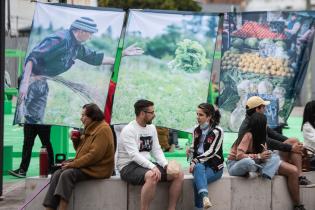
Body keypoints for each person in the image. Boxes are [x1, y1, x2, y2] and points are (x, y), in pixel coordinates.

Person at [17, 16, 143, 124]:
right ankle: (27, 147)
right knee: (23, 117)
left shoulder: (77, 47)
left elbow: (96, 59)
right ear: (81, 31)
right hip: (30, 80)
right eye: (90, 33)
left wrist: (123, 54)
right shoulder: (60, 39)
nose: (91, 37)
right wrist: (25, 83)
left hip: (41, 82)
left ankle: (39, 143)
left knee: (35, 120)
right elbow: (32, 57)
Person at [43, 103, 115, 210]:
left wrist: (73, 164)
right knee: (57, 173)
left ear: (92, 116)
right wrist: (76, 141)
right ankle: (50, 207)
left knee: (67, 174)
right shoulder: (90, 127)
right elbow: (81, 151)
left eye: (83, 115)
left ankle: (63, 207)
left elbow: (94, 155)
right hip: (88, 166)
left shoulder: (103, 129)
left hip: (98, 168)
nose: (81, 118)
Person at [228, 112, 306, 210]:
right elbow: (239, 156)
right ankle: (263, 171)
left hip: (260, 161)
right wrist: (259, 156)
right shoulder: (248, 135)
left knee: (293, 170)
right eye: (266, 124)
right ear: (260, 125)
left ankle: (297, 205)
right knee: (249, 163)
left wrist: (265, 154)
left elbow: (277, 141)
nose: (267, 126)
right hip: (237, 163)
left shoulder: (262, 135)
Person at [116, 99, 184, 210]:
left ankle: (171, 208)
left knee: (178, 173)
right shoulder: (129, 130)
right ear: (142, 113)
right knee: (152, 176)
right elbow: (134, 155)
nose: (154, 115)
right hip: (128, 166)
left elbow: (156, 150)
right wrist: (152, 167)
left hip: (145, 165)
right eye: (151, 112)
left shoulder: (151, 128)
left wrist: (166, 165)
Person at [239, 96, 313, 186]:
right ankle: (299, 176)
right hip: (260, 158)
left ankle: (300, 176)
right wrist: (290, 147)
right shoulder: (250, 125)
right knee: (293, 145)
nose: (265, 109)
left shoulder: (256, 119)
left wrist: (290, 142)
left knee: (294, 141)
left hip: (266, 153)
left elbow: (273, 134)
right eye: (263, 107)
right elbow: (266, 141)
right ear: (257, 109)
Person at [188, 103, 224, 210]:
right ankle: (205, 199)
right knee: (199, 169)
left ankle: (199, 205)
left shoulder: (217, 131)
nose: (197, 117)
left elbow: (212, 151)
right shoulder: (196, 130)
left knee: (197, 181)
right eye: (197, 114)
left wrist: (195, 161)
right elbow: (194, 147)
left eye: (201, 115)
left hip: (214, 167)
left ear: (209, 117)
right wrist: (190, 150)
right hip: (199, 164)